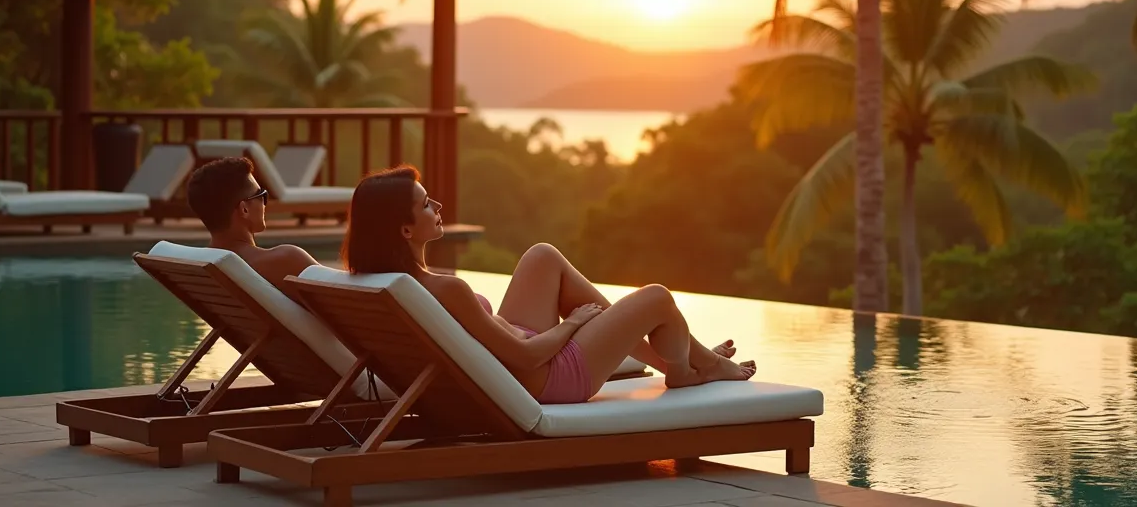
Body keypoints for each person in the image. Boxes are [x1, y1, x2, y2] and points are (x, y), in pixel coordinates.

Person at [342, 164, 756, 405]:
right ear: (404, 229)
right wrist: (572, 324)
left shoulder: (380, 281)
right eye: (426, 204)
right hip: (548, 377)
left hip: (525, 356)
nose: (438, 207)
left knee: (542, 255)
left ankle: (684, 357)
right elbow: (523, 359)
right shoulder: (445, 290)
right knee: (657, 298)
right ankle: (684, 368)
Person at [185, 156, 322, 286]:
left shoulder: (197, 266)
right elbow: (338, 292)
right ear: (244, 209)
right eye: (261, 195)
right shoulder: (286, 259)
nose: (265, 203)